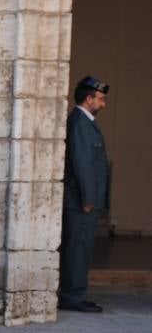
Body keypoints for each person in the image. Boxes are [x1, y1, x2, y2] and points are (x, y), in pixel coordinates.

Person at [59, 75, 109, 314]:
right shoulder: (80, 122)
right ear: (88, 99)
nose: (103, 104)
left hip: (84, 201)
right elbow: (82, 162)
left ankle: (76, 292)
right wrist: (88, 198)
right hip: (81, 202)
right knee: (77, 248)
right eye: (100, 99)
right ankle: (71, 296)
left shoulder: (85, 121)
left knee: (82, 247)